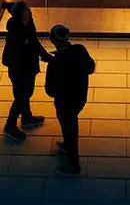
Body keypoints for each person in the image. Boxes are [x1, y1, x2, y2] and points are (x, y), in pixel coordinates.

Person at [45, 24, 96, 175]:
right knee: (70, 127)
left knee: (70, 131)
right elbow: (90, 68)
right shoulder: (80, 50)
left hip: (64, 103)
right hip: (80, 97)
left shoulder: (55, 63)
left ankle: (73, 165)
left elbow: (49, 90)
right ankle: (68, 146)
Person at [1, 2, 52, 142]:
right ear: (20, 14)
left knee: (25, 93)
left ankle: (26, 117)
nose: (30, 10)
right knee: (22, 96)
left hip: (27, 67)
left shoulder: (28, 24)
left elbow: (33, 41)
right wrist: (42, 54)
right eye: (26, 9)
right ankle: (10, 125)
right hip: (20, 70)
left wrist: (42, 54)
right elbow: (30, 44)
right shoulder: (15, 33)